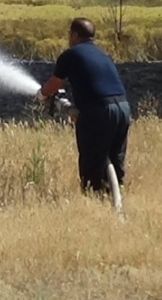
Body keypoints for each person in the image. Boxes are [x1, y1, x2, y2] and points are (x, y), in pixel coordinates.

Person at [36, 17, 132, 194]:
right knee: (115, 159)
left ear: (74, 35)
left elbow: (53, 84)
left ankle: (94, 201)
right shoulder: (103, 55)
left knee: (92, 164)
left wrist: (42, 94)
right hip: (123, 108)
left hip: (99, 111)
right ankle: (116, 196)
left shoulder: (70, 55)